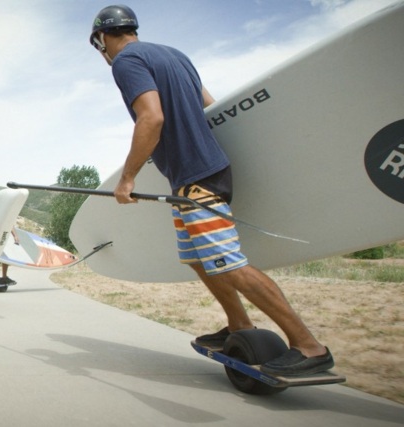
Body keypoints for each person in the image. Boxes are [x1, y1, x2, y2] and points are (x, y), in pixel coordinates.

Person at [89, 5, 333, 376]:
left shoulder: (126, 61)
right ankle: (239, 325)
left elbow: (151, 117)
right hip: (195, 176)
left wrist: (128, 179)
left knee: (229, 265)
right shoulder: (175, 55)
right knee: (198, 257)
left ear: (103, 38)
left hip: (198, 177)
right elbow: (211, 106)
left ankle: (309, 346)